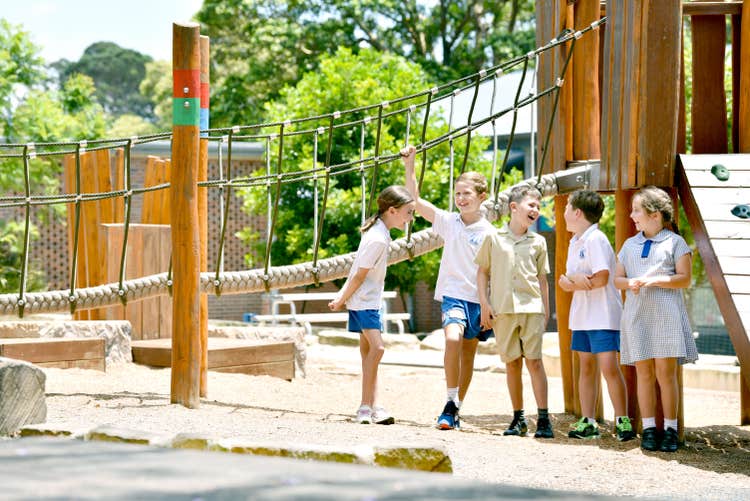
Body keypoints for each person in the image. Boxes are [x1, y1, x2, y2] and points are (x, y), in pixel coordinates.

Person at [401, 145, 495, 430]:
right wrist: (410, 165)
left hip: (478, 301)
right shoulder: (449, 222)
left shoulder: (490, 233)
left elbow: (493, 274)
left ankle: (454, 408)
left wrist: (490, 306)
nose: (460, 198)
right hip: (453, 295)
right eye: (457, 193)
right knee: (452, 340)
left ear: (481, 197)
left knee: (468, 355)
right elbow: (414, 201)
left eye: (466, 193)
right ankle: (450, 400)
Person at [614, 186, 698, 452]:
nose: (632, 215)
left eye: (637, 210)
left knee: (666, 374)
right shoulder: (629, 245)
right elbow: (618, 279)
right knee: (644, 374)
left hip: (666, 317)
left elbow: (684, 278)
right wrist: (630, 283)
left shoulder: (675, 243)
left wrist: (654, 280)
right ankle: (649, 429)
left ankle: (671, 430)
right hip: (638, 317)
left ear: (654, 214)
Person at [328, 185, 416, 425]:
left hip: (365, 300)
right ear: (392, 211)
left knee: (368, 353)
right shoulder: (378, 238)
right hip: (364, 302)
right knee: (377, 350)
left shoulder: (379, 231)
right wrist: (341, 299)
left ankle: (374, 406)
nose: (411, 218)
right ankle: (365, 407)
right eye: (408, 212)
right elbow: (359, 274)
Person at [475, 184, 554, 438]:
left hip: (532, 309)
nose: (536, 211)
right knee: (512, 364)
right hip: (503, 310)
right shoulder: (493, 238)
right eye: (532, 205)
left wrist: (545, 310)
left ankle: (543, 419)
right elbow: (482, 271)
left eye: (539, 207)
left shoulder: (539, 241)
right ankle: (518, 418)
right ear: (513, 207)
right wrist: (485, 305)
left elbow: (542, 279)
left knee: (535, 362)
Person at [558, 190, 635, 441]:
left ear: (577, 212)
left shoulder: (596, 239)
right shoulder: (575, 241)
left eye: (567, 206)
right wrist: (570, 280)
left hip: (603, 315)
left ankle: (622, 421)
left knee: (609, 367)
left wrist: (573, 283)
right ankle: (588, 421)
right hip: (582, 315)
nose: (563, 210)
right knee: (586, 368)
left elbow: (602, 277)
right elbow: (572, 276)